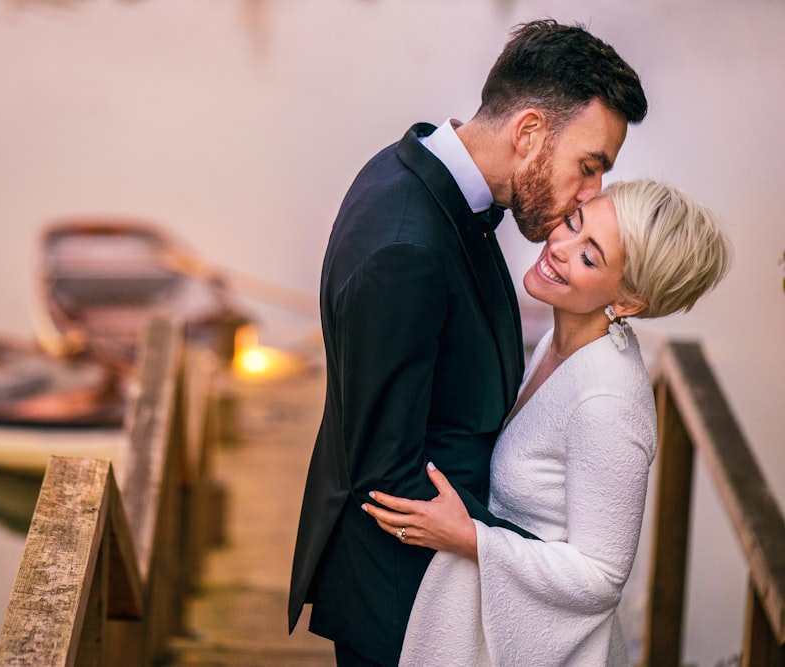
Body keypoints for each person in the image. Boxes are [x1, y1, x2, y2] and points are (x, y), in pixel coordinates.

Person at [288, 18, 648, 667]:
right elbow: (387, 477)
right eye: (588, 166)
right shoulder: (408, 248)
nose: (590, 194)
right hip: (404, 609)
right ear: (530, 131)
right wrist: (538, 560)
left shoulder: (422, 177)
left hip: (437, 584)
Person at [363, 179, 732, 666]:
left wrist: (470, 538)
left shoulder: (608, 400)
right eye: (575, 223)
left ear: (627, 302)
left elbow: (600, 577)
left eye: (590, 256)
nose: (558, 246)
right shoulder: (557, 344)